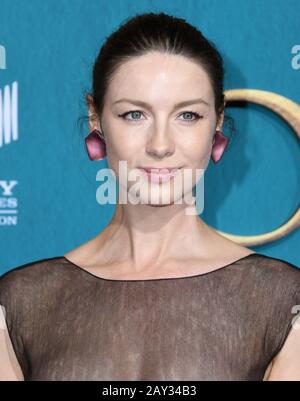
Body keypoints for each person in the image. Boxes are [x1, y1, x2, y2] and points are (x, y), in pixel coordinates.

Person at [0, 12, 299, 381]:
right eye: (134, 114)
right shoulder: (21, 304)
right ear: (96, 118)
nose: (160, 145)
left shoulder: (283, 304)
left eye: (188, 115)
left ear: (218, 121)